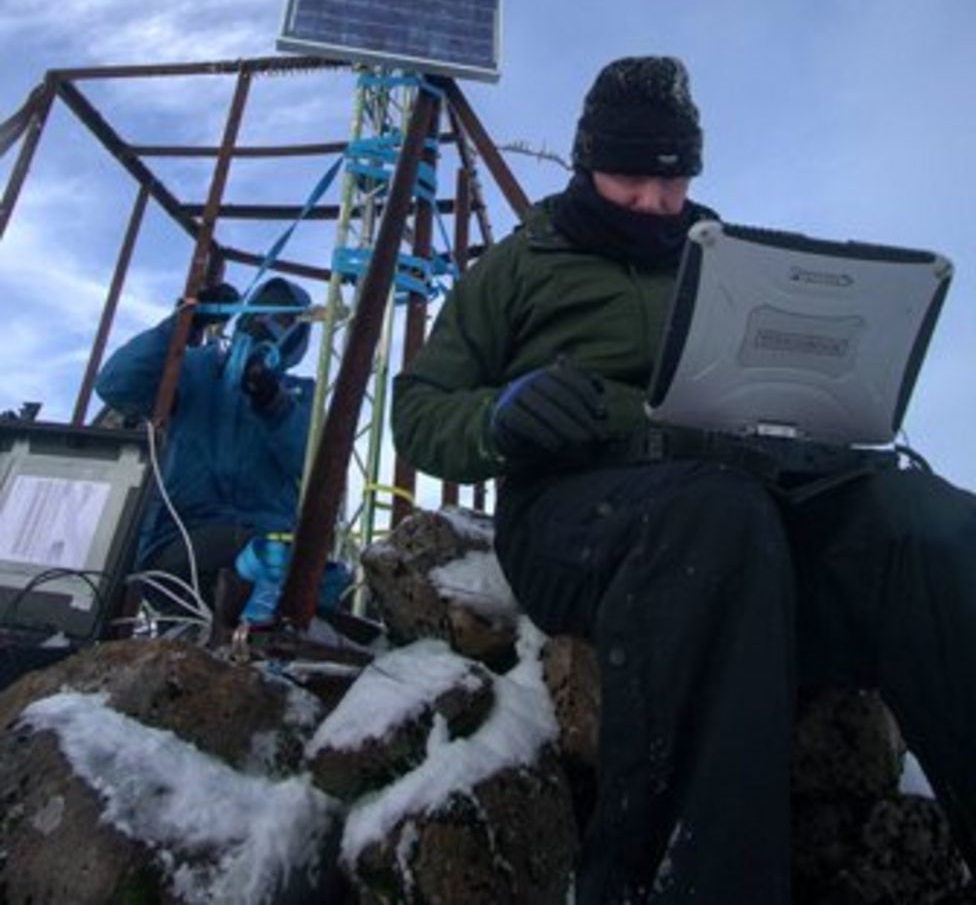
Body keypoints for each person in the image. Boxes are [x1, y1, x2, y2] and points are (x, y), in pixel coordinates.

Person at [392, 56, 976, 903]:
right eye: (631, 178)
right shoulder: (521, 263)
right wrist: (497, 417)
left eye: (673, 182)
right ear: (587, 161)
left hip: (747, 501)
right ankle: (686, 879)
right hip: (580, 513)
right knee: (717, 517)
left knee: (924, 521)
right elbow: (419, 408)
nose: (654, 203)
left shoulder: (729, 263)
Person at [96, 274, 316, 606]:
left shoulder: (301, 394)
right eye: (260, 310)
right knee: (220, 569)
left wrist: (275, 404)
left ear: (297, 335)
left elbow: (312, 465)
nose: (266, 323)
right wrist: (183, 325)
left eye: (283, 318)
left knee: (312, 586)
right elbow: (116, 384)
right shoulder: (197, 368)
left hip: (268, 538)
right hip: (182, 533)